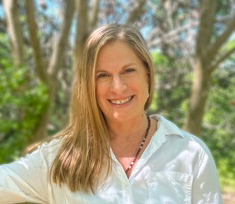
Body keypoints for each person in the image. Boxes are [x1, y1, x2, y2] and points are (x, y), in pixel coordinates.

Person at [0, 24, 222, 204]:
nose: (118, 87)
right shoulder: (60, 158)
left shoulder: (191, 155)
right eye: (103, 75)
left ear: (147, 74)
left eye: (128, 71)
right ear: (89, 86)